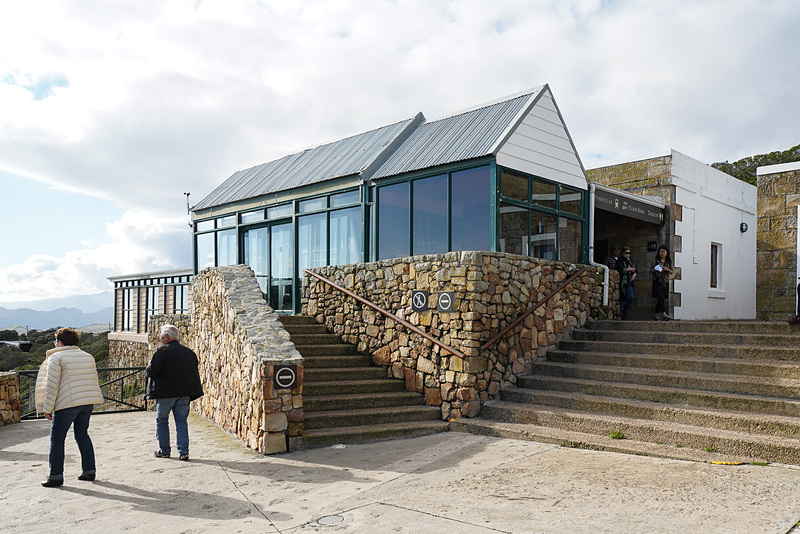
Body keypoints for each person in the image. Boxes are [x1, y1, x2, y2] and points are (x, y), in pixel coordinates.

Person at [35, 327, 104, 488]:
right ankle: (89, 471)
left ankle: (56, 476)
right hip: (87, 402)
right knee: (82, 435)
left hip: (67, 404)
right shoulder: (88, 356)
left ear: (59, 342)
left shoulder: (56, 358)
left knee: (57, 439)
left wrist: (47, 407)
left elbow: (52, 386)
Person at [146, 324, 203, 461]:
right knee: (181, 422)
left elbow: (152, 371)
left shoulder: (162, 352)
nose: (160, 340)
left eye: (161, 337)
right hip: (184, 393)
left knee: (162, 420)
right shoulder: (189, 352)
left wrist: (149, 366)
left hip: (165, 393)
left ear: (166, 337)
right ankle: (184, 452)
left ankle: (164, 450)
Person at [651, 245, 674, 321]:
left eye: (663, 251)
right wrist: (656, 269)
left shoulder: (669, 261)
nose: (662, 253)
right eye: (660, 251)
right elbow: (651, 270)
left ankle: (656, 315)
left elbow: (672, 271)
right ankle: (664, 314)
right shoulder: (655, 260)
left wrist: (667, 269)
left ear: (666, 252)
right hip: (657, 281)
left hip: (665, 281)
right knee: (660, 296)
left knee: (661, 298)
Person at [616, 247, 637, 319]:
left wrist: (634, 274)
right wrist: (630, 269)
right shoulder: (620, 261)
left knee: (630, 296)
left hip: (629, 282)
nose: (628, 255)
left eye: (629, 253)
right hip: (622, 281)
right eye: (626, 253)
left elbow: (635, 269)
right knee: (622, 298)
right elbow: (621, 269)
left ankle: (625, 310)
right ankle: (621, 313)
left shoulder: (630, 261)